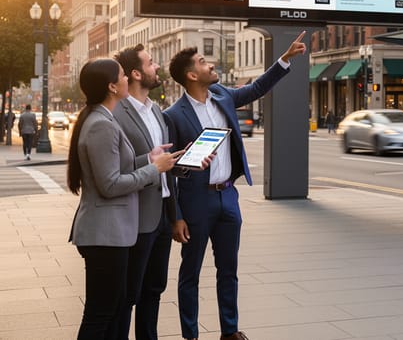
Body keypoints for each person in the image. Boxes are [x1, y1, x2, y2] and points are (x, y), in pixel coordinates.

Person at [164, 31, 307, 340]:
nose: (210, 63)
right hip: (195, 202)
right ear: (191, 74)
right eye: (203, 61)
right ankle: (190, 334)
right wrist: (175, 215)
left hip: (227, 197)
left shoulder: (223, 96)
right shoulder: (173, 115)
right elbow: (167, 170)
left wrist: (284, 59)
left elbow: (256, 88)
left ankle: (229, 331)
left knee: (228, 270)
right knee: (190, 273)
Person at [67, 58, 182, 340]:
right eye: (122, 76)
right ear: (111, 86)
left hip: (112, 234)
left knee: (111, 308)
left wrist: (149, 158)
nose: (127, 80)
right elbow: (110, 184)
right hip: (105, 234)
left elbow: (116, 166)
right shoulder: (101, 124)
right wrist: (153, 169)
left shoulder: (101, 118)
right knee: (101, 313)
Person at [112, 44, 176, 340]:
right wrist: (152, 162)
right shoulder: (118, 113)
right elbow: (119, 166)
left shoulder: (157, 110)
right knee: (128, 293)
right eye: (151, 63)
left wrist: (185, 163)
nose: (157, 67)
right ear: (136, 73)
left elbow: (163, 162)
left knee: (155, 288)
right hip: (136, 217)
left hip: (162, 213)